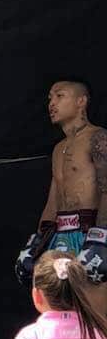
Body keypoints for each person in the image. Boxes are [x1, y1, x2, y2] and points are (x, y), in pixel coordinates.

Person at [16, 80, 107, 314]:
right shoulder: (58, 149)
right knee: (55, 309)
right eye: (49, 98)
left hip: (90, 232)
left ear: (81, 102)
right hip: (61, 237)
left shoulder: (99, 138)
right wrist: (36, 243)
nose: (51, 103)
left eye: (59, 95)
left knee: (94, 310)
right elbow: (53, 199)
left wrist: (101, 237)